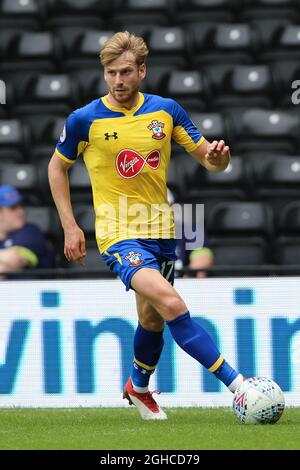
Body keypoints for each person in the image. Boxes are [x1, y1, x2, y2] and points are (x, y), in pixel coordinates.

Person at [48, 31, 244, 420]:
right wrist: (71, 226)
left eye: (125, 72)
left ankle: (138, 388)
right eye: (110, 73)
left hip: (161, 231)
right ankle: (241, 387)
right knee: (171, 303)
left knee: (152, 318)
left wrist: (220, 158)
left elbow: (208, 158)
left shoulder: (166, 111)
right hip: (118, 233)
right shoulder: (85, 119)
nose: (117, 81)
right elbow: (57, 166)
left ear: (142, 70)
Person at [0, 185, 54, 277]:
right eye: (13, 208)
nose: (20, 211)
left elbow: (14, 258)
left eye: (20, 206)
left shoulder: (30, 232)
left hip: (36, 289)